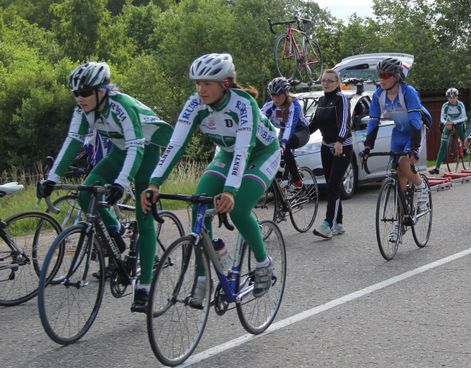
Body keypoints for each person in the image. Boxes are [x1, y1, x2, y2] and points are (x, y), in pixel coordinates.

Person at [38, 62, 173, 313]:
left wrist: (121, 183)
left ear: (102, 90)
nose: (80, 98)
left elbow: (136, 146)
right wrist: (52, 178)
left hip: (145, 152)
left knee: (144, 216)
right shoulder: (83, 110)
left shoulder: (122, 106)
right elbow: (72, 141)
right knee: (86, 193)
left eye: (86, 92)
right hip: (120, 152)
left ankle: (143, 287)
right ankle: (117, 234)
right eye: (76, 93)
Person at [142, 53, 277, 304]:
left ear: (224, 84)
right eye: (197, 83)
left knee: (238, 210)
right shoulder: (195, 104)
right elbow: (175, 145)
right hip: (227, 154)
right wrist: (154, 182)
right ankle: (202, 278)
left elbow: (243, 149)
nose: (200, 89)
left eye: (207, 84)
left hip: (261, 153)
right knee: (199, 206)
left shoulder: (243, 104)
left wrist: (229, 190)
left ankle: (263, 264)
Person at [362, 57, 428, 242]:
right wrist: (368, 147)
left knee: (403, 163)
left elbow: (415, 122)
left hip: (414, 132)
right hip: (398, 133)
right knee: (397, 176)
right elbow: (373, 123)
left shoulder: (408, 92)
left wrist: (414, 148)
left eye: (386, 75)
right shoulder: (378, 95)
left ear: (397, 77)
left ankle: (421, 186)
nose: (382, 79)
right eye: (379, 75)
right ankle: (400, 222)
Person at [307, 69, 352, 239]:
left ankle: (328, 224)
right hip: (325, 146)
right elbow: (315, 123)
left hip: (342, 147)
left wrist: (340, 141)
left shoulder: (341, 99)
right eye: (323, 80)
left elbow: (344, 123)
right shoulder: (321, 100)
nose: (325, 83)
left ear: (337, 83)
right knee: (332, 184)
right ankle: (338, 223)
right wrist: (299, 137)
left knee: (333, 184)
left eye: (330, 81)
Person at [261, 77, 310, 186]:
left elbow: (290, 126)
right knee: (273, 148)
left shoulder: (294, 105)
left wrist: (283, 143)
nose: (275, 99)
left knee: (284, 146)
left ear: (286, 93)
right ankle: (279, 182)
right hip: (284, 130)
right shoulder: (271, 104)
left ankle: (297, 179)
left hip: (301, 132)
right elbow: (260, 120)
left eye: (278, 95)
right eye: (272, 95)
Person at [430, 88, 468, 175]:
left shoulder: (460, 105)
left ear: (457, 97)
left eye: (454, 97)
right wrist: (446, 123)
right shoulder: (445, 105)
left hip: (458, 123)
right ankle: (437, 167)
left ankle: (465, 149)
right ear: (447, 98)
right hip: (448, 124)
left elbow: (464, 117)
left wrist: (454, 122)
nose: (452, 99)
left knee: (463, 136)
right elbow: (442, 117)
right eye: (450, 98)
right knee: (443, 145)